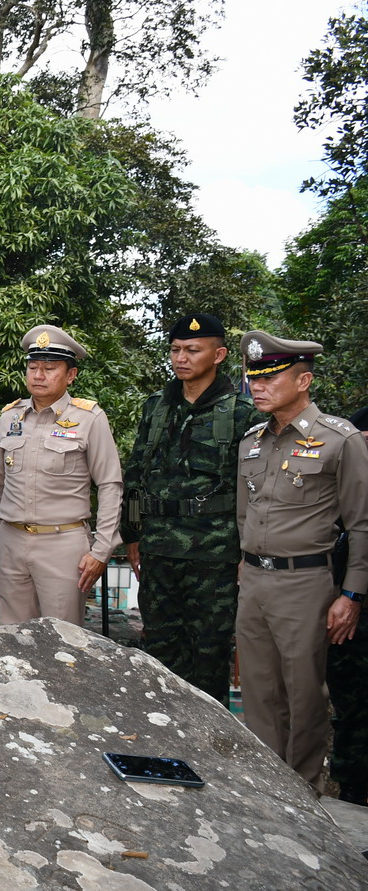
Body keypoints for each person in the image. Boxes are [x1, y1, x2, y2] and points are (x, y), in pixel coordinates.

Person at [236, 333, 368, 793]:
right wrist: (243, 566)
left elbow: (363, 522)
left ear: (304, 380)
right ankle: (266, 793)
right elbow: (243, 514)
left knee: (305, 694)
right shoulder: (251, 441)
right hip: (254, 579)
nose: (258, 386)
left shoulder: (340, 440)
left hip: (306, 581)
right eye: (254, 378)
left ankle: (304, 790)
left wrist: (351, 594)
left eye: (270, 378)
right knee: (258, 693)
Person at [120, 314, 263, 703]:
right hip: (158, 551)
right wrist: (133, 535)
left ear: (218, 355)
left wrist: (245, 552)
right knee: (161, 654)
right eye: (175, 349)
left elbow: (254, 491)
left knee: (209, 655)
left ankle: (209, 748)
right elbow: (136, 475)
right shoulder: (157, 407)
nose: (180, 357)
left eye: (192, 350)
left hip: (213, 555)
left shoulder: (242, 413)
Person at [0, 325, 122, 625]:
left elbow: (110, 484)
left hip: (63, 545)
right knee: (12, 638)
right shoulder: (9, 418)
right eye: (33, 367)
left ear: (71, 375)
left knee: (63, 642)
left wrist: (101, 550)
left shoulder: (89, 419)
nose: (39, 375)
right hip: (11, 542)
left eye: (49, 368)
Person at [327, 406, 368, 804]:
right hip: (344, 615)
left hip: (356, 604)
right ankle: (352, 789)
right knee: (349, 703)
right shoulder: (343, 492)